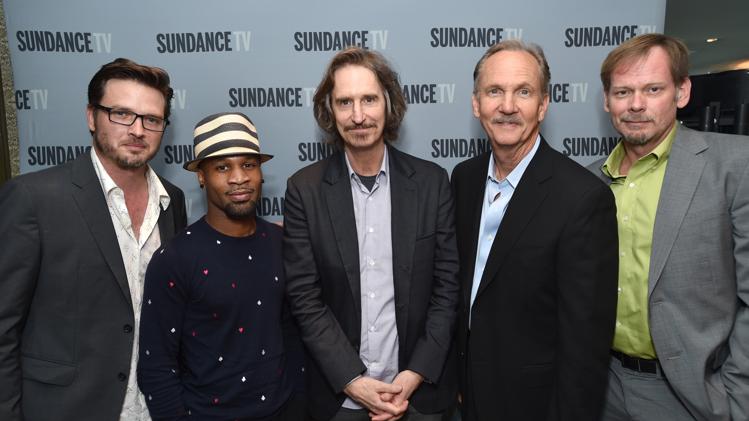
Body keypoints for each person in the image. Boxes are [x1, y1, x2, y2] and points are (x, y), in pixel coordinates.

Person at [0, 58, 187, 421]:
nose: (137, 130)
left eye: (152, 119)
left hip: (156, 408)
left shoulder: (172, 200)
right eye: (121, 114)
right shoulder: (34, 198)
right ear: (91, 116)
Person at [283, 47, 460, 421]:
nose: (358, 115)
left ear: (389, 105)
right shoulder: (305, 189)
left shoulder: (431, 183)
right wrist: (353, 381)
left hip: (418, 395)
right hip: (341, 398)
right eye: (345, 102)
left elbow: (447, 290)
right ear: (329, 110)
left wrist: (414, 375)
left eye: (369, 99)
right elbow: (304, 298)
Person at [451, 40, 619, 421]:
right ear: (476, 103)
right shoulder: (464, 179)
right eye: (495, 91)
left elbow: (585, 344)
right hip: (467, 396)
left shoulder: (582, 198)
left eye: (523, 92)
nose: (507, 106)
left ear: (543, 105)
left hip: (536, 405)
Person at [590, 33, 749, 421]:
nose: (636, 104)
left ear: (682, 92)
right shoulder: (590, 180)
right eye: (623, 91)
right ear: (607, 101)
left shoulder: (734, 164)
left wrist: (736, 396)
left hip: (691, 394)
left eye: (653, 89)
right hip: (600, 386)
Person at [137, 112, 304, 420]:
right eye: (222, 167)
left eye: (248, 165)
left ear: (261, 171)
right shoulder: (173, 259)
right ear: (201, 175)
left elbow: (295, 334)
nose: (238, 177)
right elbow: (156, 367)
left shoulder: (283, 243)